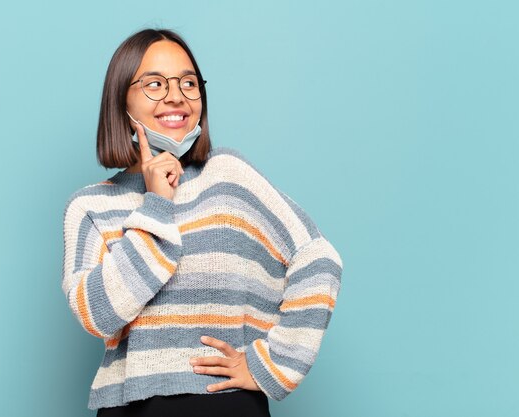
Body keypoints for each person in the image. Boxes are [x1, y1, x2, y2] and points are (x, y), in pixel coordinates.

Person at [61, 28, 343, 417]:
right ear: (120, 100)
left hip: (224, 405)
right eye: (155, 84)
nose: (175, 95)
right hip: (130, 408)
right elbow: (98, 314)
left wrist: (271, 365)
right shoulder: (91, 205)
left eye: (188, 83)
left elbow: (318, 259)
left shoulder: (228, 178)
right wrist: (157, 203)